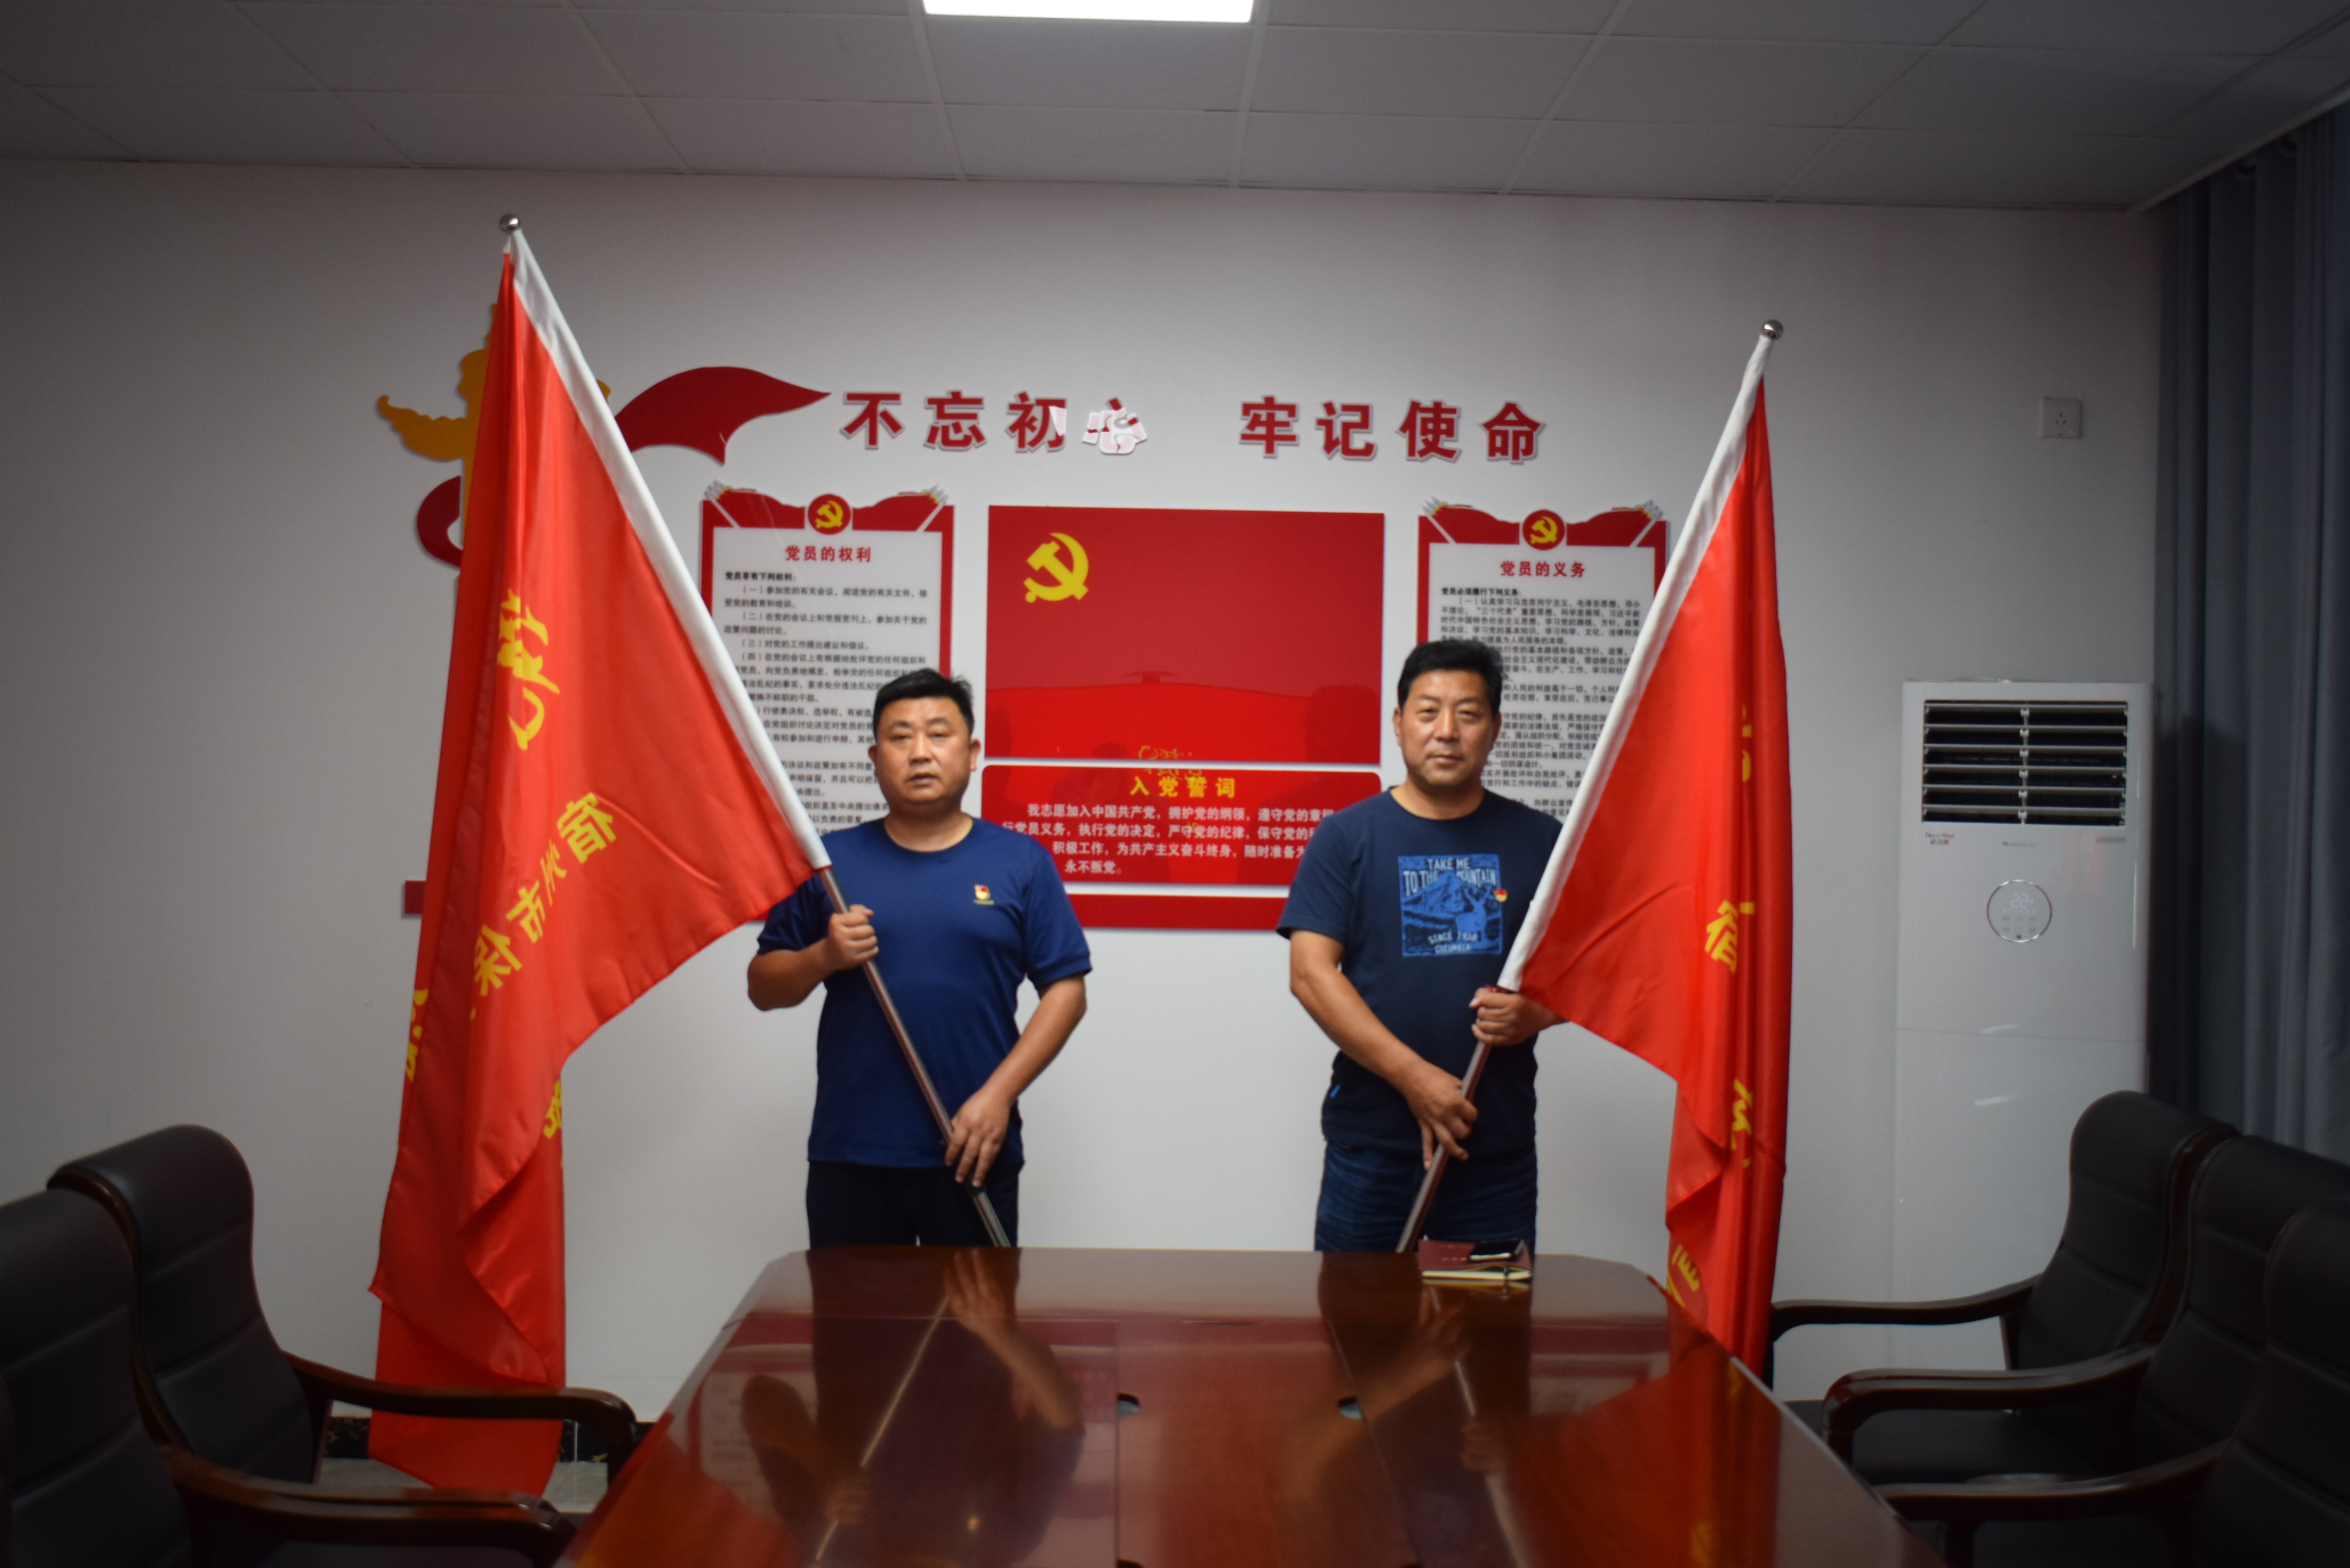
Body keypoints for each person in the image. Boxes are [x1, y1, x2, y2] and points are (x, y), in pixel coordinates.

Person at [748, 668, 1090, 1246]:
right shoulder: (828, 864)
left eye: (938, 734)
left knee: (976, 1308)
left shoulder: (1021, 862)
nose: (920, 752)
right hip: (853, 1149)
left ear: (972, 754)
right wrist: (824, 956)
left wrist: (998, 1097)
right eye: (900, 737)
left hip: (972, 1143)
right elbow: (763, 986)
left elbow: (1067, 992)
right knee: (850, 1310)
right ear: (875, 758)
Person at [1280, 639, 1562, 1252]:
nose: (1446, 731)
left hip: (1493, 1144)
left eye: (1468, 713)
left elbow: (1597, 964)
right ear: (1398, 724)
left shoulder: (1542, 841)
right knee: (1355, 1312)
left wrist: (1541, 1010)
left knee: (1489, 1313)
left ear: (1494, 728)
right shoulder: (1345, 837)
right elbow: (1309, 974)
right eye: (1428, 712)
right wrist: (1414, 1078)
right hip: (1373, 1143)